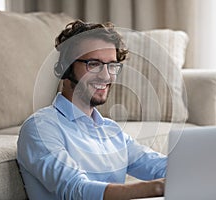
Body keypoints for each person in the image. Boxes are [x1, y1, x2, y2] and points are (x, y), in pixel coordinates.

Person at [17, 20, 167, 200]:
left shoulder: (111, 131)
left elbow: (157, 166)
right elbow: (76, 190)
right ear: (65, 67)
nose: (105, 75)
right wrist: (158, 187)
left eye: (112, 65)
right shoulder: (40, 128)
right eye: (94, 64)